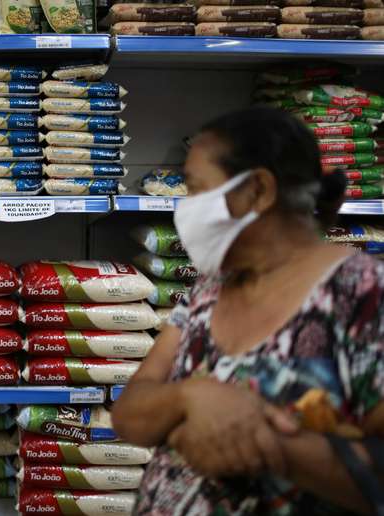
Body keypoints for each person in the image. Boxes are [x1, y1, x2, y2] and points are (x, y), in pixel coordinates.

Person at [112, 107, 384, 515]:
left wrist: (261, 442)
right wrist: (191, 396)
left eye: (196, 188)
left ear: (257, 190)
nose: (186, 207)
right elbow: (130, 414)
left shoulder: (362, 294)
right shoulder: (209, 288)